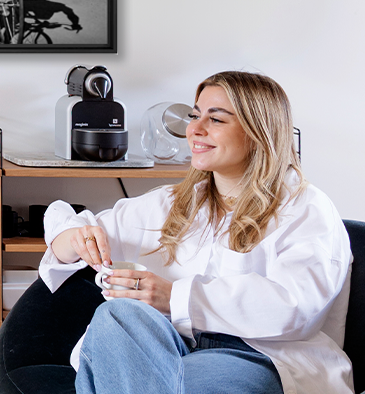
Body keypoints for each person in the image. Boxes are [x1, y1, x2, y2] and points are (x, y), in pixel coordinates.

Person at [41, 71, 351, 394]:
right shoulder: (173, 203)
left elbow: (295, 307)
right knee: (114, 318)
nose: (195, 129)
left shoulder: (306, 208)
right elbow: (67, 220)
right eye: (194, 115)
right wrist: (75, 238)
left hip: (261, 356)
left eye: (216, 120)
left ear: (259, 131)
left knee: (170, 380)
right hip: (172, 347)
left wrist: (174, 297)